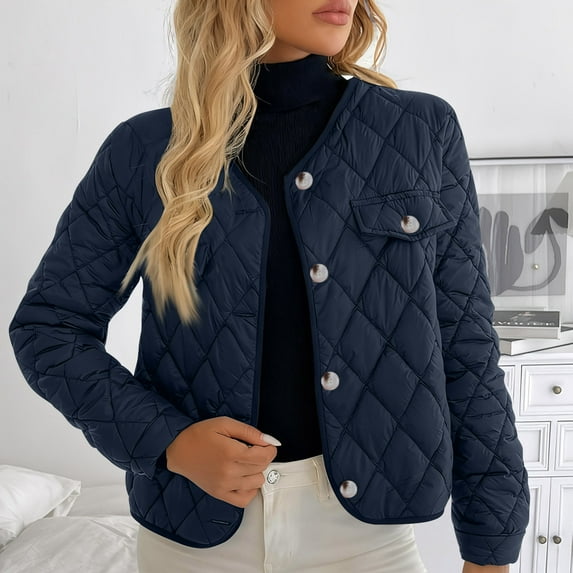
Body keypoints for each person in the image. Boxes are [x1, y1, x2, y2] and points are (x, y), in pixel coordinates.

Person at [9, 0, 530, 571]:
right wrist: (169, 441)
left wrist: (492, 545)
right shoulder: (146, 149)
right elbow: (48, 328)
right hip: (192, 534)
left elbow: (466, 346)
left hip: (366, 543)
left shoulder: (419, 131)